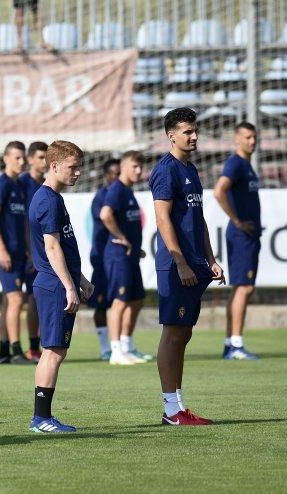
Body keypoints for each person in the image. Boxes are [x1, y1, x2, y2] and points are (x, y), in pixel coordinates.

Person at [149, 108, 225, 426]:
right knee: (173, 333)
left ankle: (179, 407)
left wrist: (210, 258)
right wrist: (179, 261)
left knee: (184, 334)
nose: (194, 137)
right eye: (187, 132)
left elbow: (199, 218)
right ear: (172, 136)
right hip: (176, 264)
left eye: (195, 131)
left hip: (195, 263)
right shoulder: (165, 170)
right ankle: (171, 410)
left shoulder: (190, 169)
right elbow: (162, 218)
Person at [27, 140, 93, 433]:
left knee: (56, 351)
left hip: (59, 282)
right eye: (73, 167)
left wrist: (80, 279)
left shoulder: (54, 198)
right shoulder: (47, 200)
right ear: (54, 166)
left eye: (79, 167)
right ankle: (41, 419)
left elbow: (63, 246)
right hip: (54, 285)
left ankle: (43, 417)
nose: (78, 173)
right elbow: (52, 248)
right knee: (52, 352)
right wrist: (69, 286)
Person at [212, 122, 261, 360]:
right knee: (244, 287)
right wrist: (238, 221)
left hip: (248, 235)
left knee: (241, 288)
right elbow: (219, 190)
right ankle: (236, 345)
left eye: (254, 137)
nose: (253, 141)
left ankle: (231, 342)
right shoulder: (236, 163)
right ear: (237, 139)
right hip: (242, 235)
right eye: (248, 137)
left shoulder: (247, 165)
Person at [100, 151, 152, 365]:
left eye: (141, 167)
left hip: (130, 256)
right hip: (118, 256)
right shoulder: (117, 190)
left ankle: (127, 345)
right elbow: (105, 214)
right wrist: (122, 238)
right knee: (120, 302)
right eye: (134, 166)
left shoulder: (128, 191)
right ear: (123, 167)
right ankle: (115, 351)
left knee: (137, 299)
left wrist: (135, 246)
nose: (138, 171)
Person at [0, 141, 35, 365]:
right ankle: (17, 351)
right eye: (17, 157)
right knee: (16, 298)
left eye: (23, 157)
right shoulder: (1, 184)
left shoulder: (19, 186)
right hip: (4, 253)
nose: (21, 161)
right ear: (5, 158)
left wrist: (28, 250)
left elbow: (24, 224)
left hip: (19, 252)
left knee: (10, 301)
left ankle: (3, 351)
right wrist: (2, 249)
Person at [18, 141, 48, 362]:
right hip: (29, 252)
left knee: (44, 297)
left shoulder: (47, 184)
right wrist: (27, 250)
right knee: (32, 298)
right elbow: (18, 220)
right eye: (40, 157)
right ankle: (31, 346)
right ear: (30, 159)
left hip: (46, 249)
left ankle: (44, 344)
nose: (44, 161)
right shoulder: (21, 184)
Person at [88, 159, 119, 360]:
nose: (116, 177)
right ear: (106, 175)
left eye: (119, 173)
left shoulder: (123, 194)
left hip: (119, 257)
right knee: (101, 305)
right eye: (113, 173)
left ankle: (123, 345)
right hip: (102, 257)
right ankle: (105, 348)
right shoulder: (102, 197)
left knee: (122, 300)